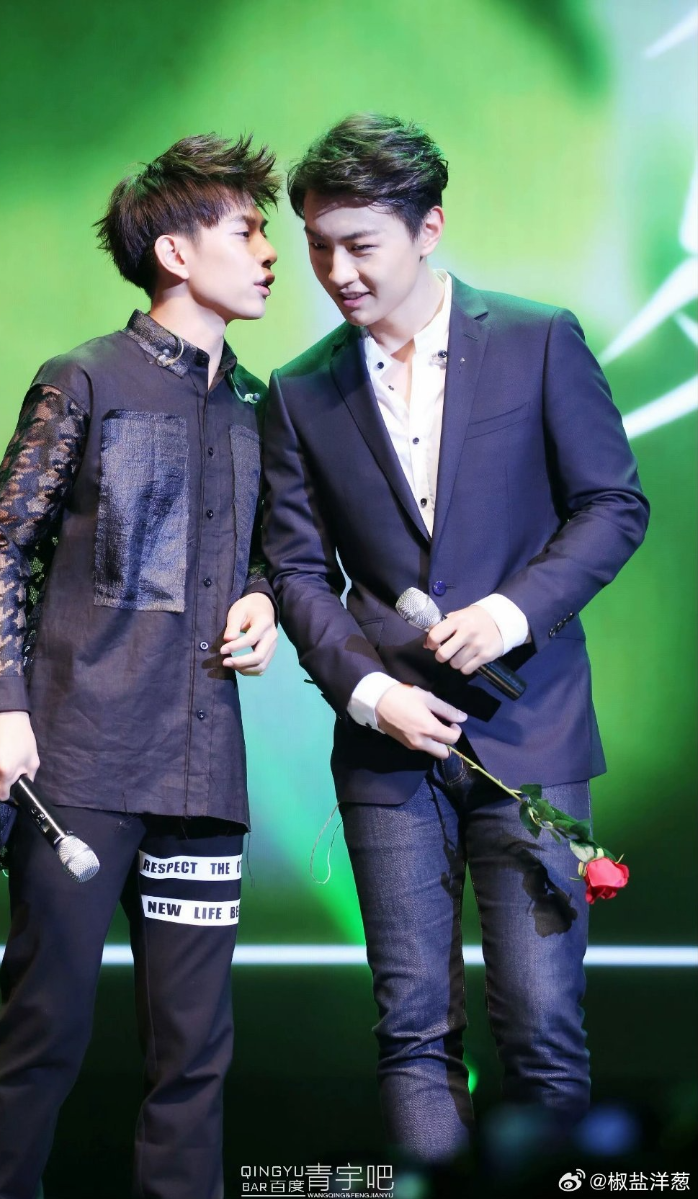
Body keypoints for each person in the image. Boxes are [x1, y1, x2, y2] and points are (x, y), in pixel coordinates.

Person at [261, 113, 649, 1164]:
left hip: (532, 730)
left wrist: (511, 611)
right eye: (318, 245)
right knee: (411, 1029)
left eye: (360, 244)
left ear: (428, 227)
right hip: (387, 741)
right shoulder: (299, 390)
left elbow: (613, 504)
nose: (336, 271)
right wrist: (369, 692)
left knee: (541, 1025)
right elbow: (296, 570)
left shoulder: (537, 339)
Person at [0, 132, 279, 1199]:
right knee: (42, 1033)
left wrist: (262, 596)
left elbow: (275, 553)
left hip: (203, 772)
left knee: (194, 1059)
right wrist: (5, 703)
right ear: (177, 253)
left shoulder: (259, 404)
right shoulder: (84, 377)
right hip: (82, 763)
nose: (269, 252)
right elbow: (5, 544)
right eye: (247, 229)